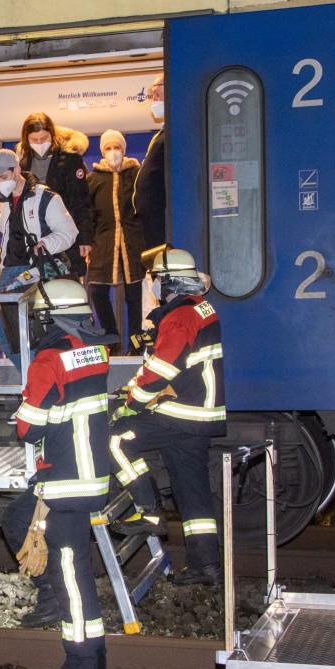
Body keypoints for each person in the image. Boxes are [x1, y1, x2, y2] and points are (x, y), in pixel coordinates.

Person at [1, 278, 115, 669]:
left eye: (37, 315)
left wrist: (28, 407)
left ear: (48, 317)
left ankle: (84, 667)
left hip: (66, 481)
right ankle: (91, 654)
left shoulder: (49, 360)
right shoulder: (96, 351)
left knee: (70, 573)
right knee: (73, 565)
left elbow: (28, 428)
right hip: (89, 473)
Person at [109, 247, 226, 586]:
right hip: (199, 413)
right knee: (193, 494)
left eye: (157, 280)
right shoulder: (201, 309)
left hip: (182, 414)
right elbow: (167, 366)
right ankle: (207, 567)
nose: (154, 285)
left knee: (114, 438)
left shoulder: (179, 317)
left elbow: (159, 371)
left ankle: (150, 513)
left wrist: (130, 402)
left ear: (169, 282)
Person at [0, 148, 78, 371]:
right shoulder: (6, 200)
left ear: (16, 171)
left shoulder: (46, 198)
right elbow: (11, 223)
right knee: (0, 330)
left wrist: (47, 243)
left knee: (29, 331)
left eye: (3, 177)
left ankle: (39, 380)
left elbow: (69, 232)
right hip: (9, 270)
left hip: (34, 271)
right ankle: (36, 378)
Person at [86, 129, 147, 353]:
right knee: (98, 292)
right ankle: (111, 339)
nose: (113, 152)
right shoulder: (94, 179)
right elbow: (89, 215)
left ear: (124, 149)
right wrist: (89, 243)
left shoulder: (136, 174)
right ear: (102, 152)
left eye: (117, 147)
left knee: (134, 296)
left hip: (133, 244)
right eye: (108, 148)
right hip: (103, 244)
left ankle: (136, 343)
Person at [16, 113, 93, 276]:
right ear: (26, 139)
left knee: (68, 280)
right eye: (34, 140)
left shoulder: (70, 160)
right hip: (35, 234)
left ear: (52, 135)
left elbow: (82, 201)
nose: (39, 143)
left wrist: (85, 238)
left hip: (65, 230)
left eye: (44, 138)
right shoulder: (23, 164)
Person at [134, 75, 169, 250]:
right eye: (152, 95)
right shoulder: (162, 133)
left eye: (157, 95)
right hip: (154, 221)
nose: (154, 100)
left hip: (165, 219)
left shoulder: (175, 131)